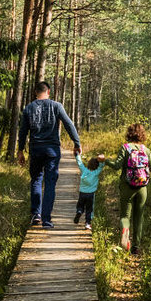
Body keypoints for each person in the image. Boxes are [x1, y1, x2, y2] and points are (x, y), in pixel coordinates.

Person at [17, 81, 81, 229]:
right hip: (52, 151)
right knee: (50, 183)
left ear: (35, 92)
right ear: (49, 91)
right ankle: (46, 220)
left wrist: (20, 150)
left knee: (36, 180)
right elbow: (68, 124)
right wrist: (76, 143)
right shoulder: (56, 106)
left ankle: (36, 215)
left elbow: (23, 131)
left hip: (36, 150)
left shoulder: (28, 108)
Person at [105, 123, 151, 256]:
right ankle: (136, 247)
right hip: (142, 188)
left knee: (125, 216)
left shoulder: (125, 148)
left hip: (127, 186)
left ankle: (125, 233)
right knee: (139, 217)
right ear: (142, 135)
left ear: (129, 133)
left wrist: (105, 160)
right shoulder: (145, 150)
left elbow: (117, 166)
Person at [74, 151, 105, 231]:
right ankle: (87, 223)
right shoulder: (96, 172)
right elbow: (101, 166)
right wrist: (101, 159)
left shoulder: (84, 170)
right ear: (96, 166)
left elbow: (80, 163)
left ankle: (79, 211)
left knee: (80, 205)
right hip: (91, 194)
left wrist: (77, 155)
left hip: (82, 193)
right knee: (89, 209)